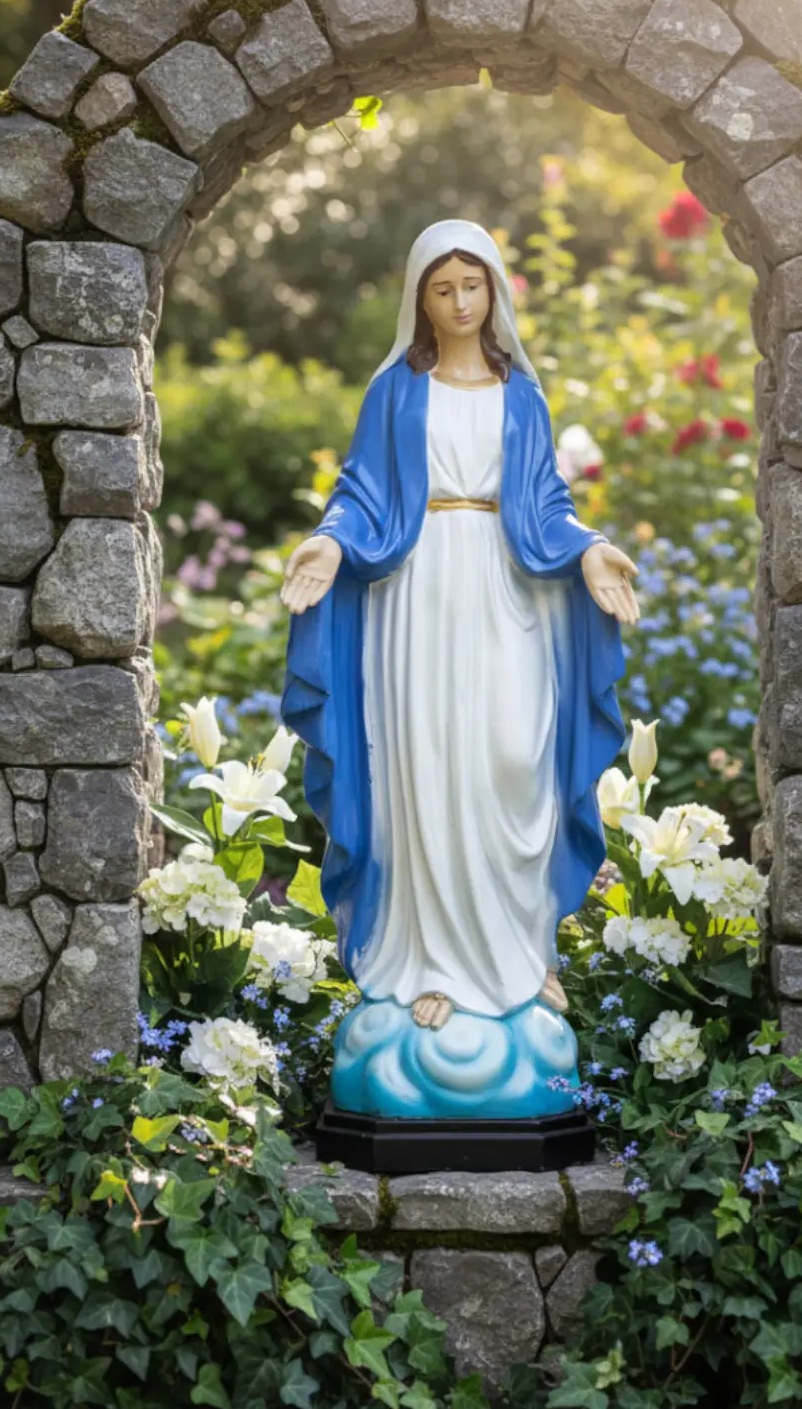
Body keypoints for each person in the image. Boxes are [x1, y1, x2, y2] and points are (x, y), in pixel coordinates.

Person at [280, 219, 638, 1041]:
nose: (460, 301)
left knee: (513, 757)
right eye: (443, 289)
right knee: (426, 768)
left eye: (472, 285)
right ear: (421, 299)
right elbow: (362, 489)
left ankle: (518, 955)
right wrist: (330, 541)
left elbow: (546, 500)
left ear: (495, 290)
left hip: (510, 590)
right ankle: (430, 966)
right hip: (417, 591)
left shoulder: (522, 394)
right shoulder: (396, 390)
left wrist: (588, 551)